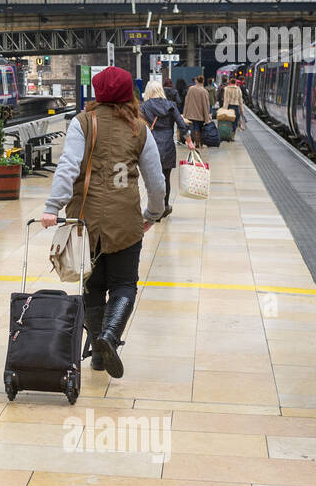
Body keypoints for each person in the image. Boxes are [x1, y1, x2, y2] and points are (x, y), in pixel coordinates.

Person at [42, 66, 165, 379]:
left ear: (97, 92)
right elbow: (156, 181)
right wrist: (153, 213)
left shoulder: (83, 122)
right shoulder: (140, 128)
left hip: (87, 221)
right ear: (128, 93)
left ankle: (98, 352)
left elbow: (68, 167)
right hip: (126, 221)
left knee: (93, 285)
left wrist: (51, 206)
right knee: (124, 284)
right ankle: (109, 337)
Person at [140, 81, 194, 217]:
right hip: (168, 147)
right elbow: (182, 125)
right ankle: (164, 207)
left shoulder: (144, 107)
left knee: (152, 179)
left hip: (150, 147)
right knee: (166, 178)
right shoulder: (171, 105)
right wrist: (189, 141)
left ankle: (153, 208)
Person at [183, 74, 211, 145]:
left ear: (196, 81)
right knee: (200, 127)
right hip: (201, 113)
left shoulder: (191, 89)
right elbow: (206, 104)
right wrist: (207, 115)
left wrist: (185, 113)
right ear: (203, 81)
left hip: (192, 112)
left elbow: (187, 101)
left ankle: (197, 142)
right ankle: (200, 142)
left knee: (195, 127)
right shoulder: (204, 91)